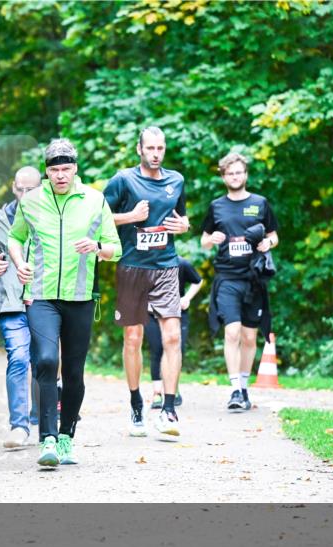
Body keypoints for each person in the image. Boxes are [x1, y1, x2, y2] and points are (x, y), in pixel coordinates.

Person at [8, 139, 121, 468]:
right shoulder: (30, 202)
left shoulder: (95, 200)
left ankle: (67, 435)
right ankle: (48, 438)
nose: (60, 175)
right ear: (47, 171)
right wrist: (19, 262)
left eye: (66, 169)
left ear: (75, 169)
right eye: (54, 170)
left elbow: (116, 248)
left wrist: (97, 246)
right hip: (41, 296)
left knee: (73, 372)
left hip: (80, 297)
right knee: (45, 360)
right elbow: (15, 238)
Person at [103, 126, 190, 439]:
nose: (156, 154)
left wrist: (184, 225)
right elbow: (98, 216)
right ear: (139, 149)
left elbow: (183, 218)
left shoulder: (176, 180)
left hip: (166, 266)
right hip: (132, 267)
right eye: (150, 148)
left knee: (172, 338)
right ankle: (136, 402)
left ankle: (168, 408)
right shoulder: (123, 180)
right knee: (133, 339)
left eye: (161, 148)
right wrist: (131, 217)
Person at [201, 152, 279, 412]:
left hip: (253, 277)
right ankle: (234, 389)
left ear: (245, 174)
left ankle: (244, 388)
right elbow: (204, 239)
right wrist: (212, 239)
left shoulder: (260, 203)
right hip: (227, 277)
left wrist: (268, 242)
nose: (235, 176)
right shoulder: (217, 206)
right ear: (223, 177)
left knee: (248, 336)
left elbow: (274, 236)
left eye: (239, 172)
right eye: (230, 173)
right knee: (231, 331)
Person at [0, 166, 43, 449]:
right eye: (20, 189)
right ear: (13, 188)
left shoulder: (54, 215)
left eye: (31, 189)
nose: (25, 194)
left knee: (46, 362)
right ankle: (19, 426)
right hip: (12, 302)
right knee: (18, 359)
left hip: (46, 301)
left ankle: (44, 420)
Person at [144, 257, 203, 409]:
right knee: (157, 349)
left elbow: (198, 280)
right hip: (151, 314)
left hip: (177, 312)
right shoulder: (145, 263)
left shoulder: (181, 263)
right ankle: (157, 393)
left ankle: (172, 388)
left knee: (177, 349)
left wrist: (187, 298)